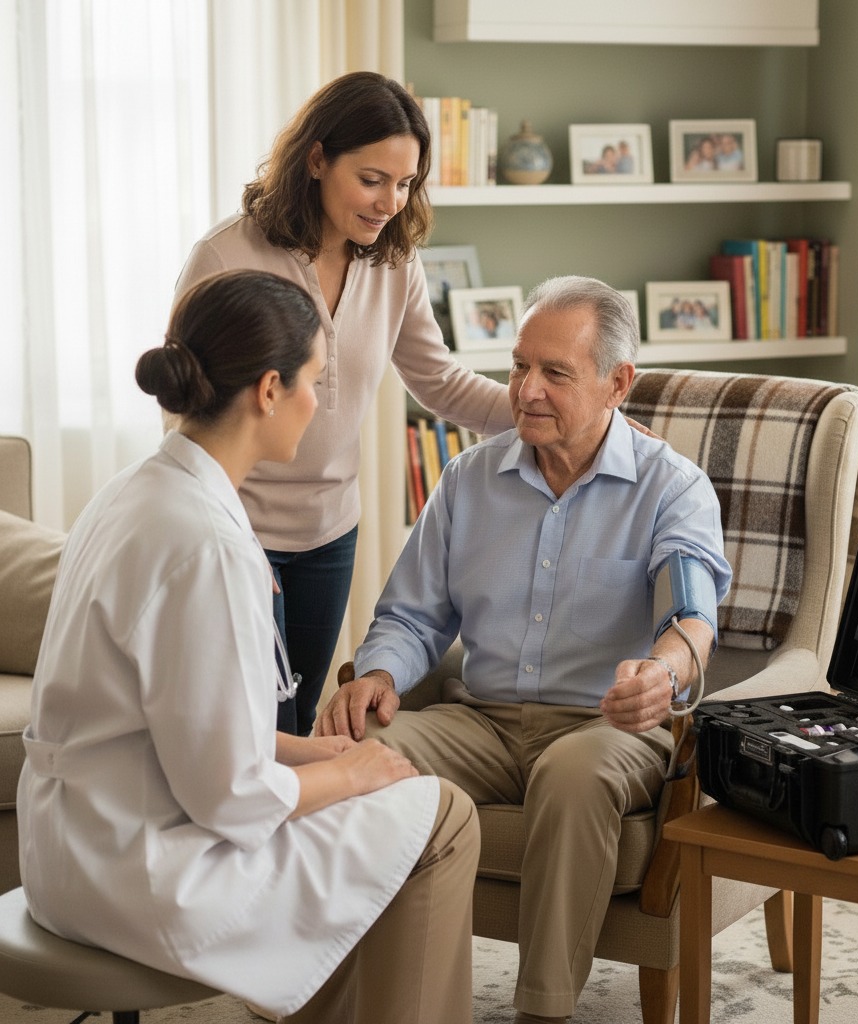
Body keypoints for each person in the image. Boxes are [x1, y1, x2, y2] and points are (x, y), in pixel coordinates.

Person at [18, 270, 480, 1024]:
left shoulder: (131, 493)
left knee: (381, 798)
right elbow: (229, 798)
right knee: (444, 815)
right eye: (315, 383)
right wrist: (357, 772)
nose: (322, 405)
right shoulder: (208, 544)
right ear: (269, 389)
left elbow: (173, 723)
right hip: (146, 877)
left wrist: (313, 755)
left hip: (72, 847)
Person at [316, 276, 732, 1024]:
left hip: (607, 728)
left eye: (555, 374)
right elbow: (413, 615)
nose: (525, 390)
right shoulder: (469, 478)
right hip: (481, 719)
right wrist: (377, 673)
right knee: (357, 750)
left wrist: (663, 674)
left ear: (618, 383)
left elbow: (693, 618)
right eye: (517, 367)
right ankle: (336, 995)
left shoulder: (673, 488)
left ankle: (542, 1011)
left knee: (572, 778)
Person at [173, 71, 513, 737]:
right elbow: (190, 402)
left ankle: (290, 845)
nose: (390, 200)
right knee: (253, 727)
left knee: (297, 722)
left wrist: (542, 412)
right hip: (237, 529)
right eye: (372, 179)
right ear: (318, 159)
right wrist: (227, 534)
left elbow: (438, 380)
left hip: (330, 531)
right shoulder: (226, 255)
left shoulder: (394, 263)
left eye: (406, 182)